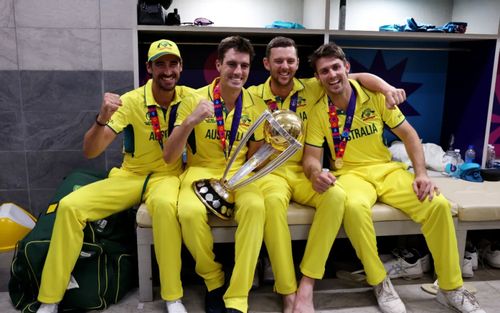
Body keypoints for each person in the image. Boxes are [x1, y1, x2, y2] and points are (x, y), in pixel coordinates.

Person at [294, 42, 486, 313]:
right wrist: (315, 174)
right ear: (318, 77)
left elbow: (409, 135)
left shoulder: (374, 97)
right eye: (324, 71)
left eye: (336, 67)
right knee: (353, 208)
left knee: (438, 205)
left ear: (346, 68)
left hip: (386, 169)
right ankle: (380, 281)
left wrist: (421, 174)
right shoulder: (317, 112)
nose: (332, 74)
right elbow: (312, 157)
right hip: (349, 174)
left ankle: (450, 288)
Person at [246, 36, 407, 313]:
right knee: (272, 205)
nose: (284, 66)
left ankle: (307, 283)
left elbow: (358, 77)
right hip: (272, 172)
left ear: (297, 64)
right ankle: (287, 291)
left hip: (304, 170)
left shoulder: (313, 86)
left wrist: (388, 87)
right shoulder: (253, 96)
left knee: (336, 196)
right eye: (278, 61)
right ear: (266, 64)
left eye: (290, 61)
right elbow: (252, 153)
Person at [36, 39, 193, 313]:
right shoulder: (131, 101)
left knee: (166, 207)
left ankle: (172, 296)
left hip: (167, 177)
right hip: (130, 175)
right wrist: (101, 117)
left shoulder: (191, 98)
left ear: (180, 67)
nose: (167, 70)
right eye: (160, 64)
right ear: (149, 68)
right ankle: (50, 299)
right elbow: (91, 151)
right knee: (71, 206)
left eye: (172, 63)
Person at [163, 36, 267, 313]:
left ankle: (238, 295)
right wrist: (190, 121)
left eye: (244, 66)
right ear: (218, 64)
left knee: (256, 207)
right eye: (231, 64)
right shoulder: (192, 99)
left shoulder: (256, 105)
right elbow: (169, 156)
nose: (238, 71)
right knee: (187, 212)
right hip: (200, 170)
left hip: (240, 173)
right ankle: (213, 279)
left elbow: (256, 156)